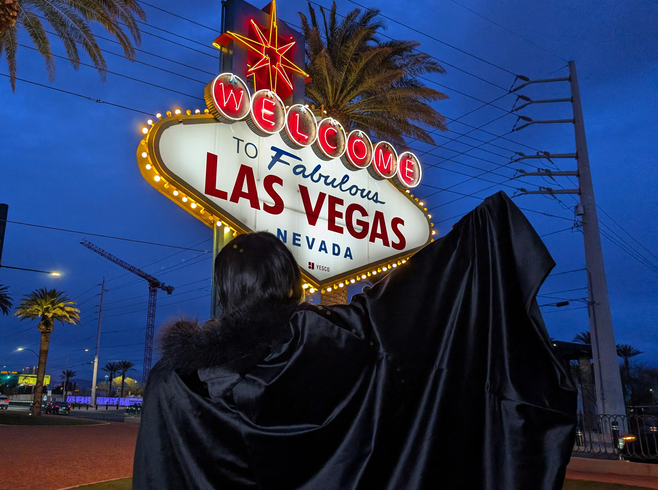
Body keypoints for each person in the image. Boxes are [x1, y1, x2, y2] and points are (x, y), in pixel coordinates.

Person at [133, 191, 577, 489]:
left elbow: (159, 470)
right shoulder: (330, 335)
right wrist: (480, 239)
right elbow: (409, 310)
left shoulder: (176, 377)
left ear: (224, 287)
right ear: (288, 279)